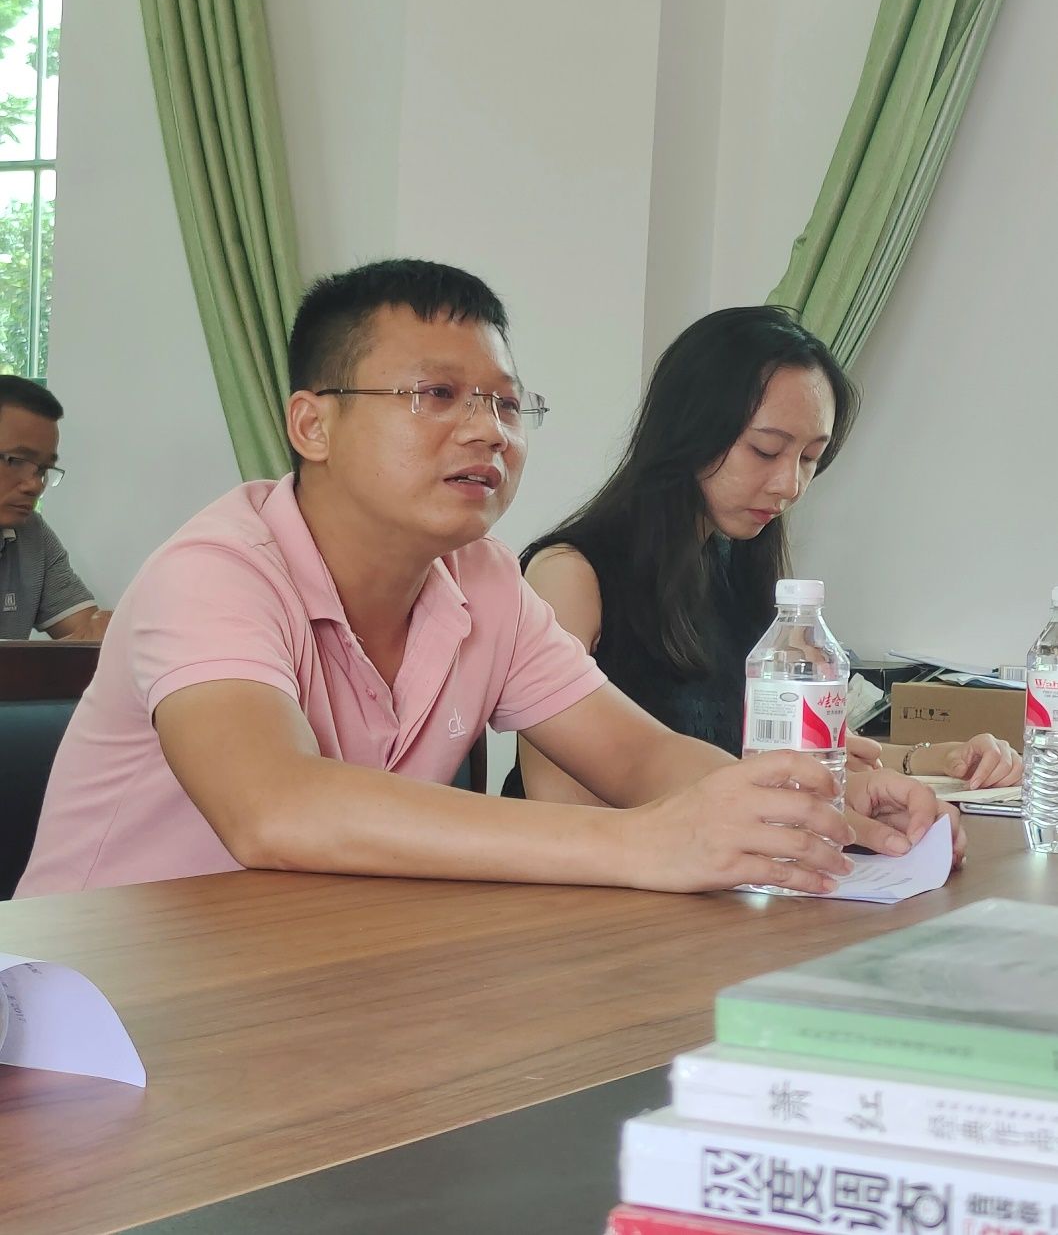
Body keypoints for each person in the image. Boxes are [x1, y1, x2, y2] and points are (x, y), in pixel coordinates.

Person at [17, 262, 957, 899]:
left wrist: (817, 812)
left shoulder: (486, 583)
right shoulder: (215, 571)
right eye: (435, 396)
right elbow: (275, 809)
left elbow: (641, 759)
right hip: (101, 1008)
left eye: (507, 404)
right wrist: (643, 843)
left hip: (315, 980)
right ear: (312, 424)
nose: (487, 432)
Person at [504, 306, 1020, 807]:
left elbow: (785, 753)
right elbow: (560, 806)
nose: (790, 484)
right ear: (690, 430)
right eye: (766, 450)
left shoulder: (733, 567)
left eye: (810, 458)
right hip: (627, 862)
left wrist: (932, 759)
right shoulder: (570, 575)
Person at [0, 375, 111, 641]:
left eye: (43, 469)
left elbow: (93, 634)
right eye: (17, 461)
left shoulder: (31, 533)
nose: (35, 485)